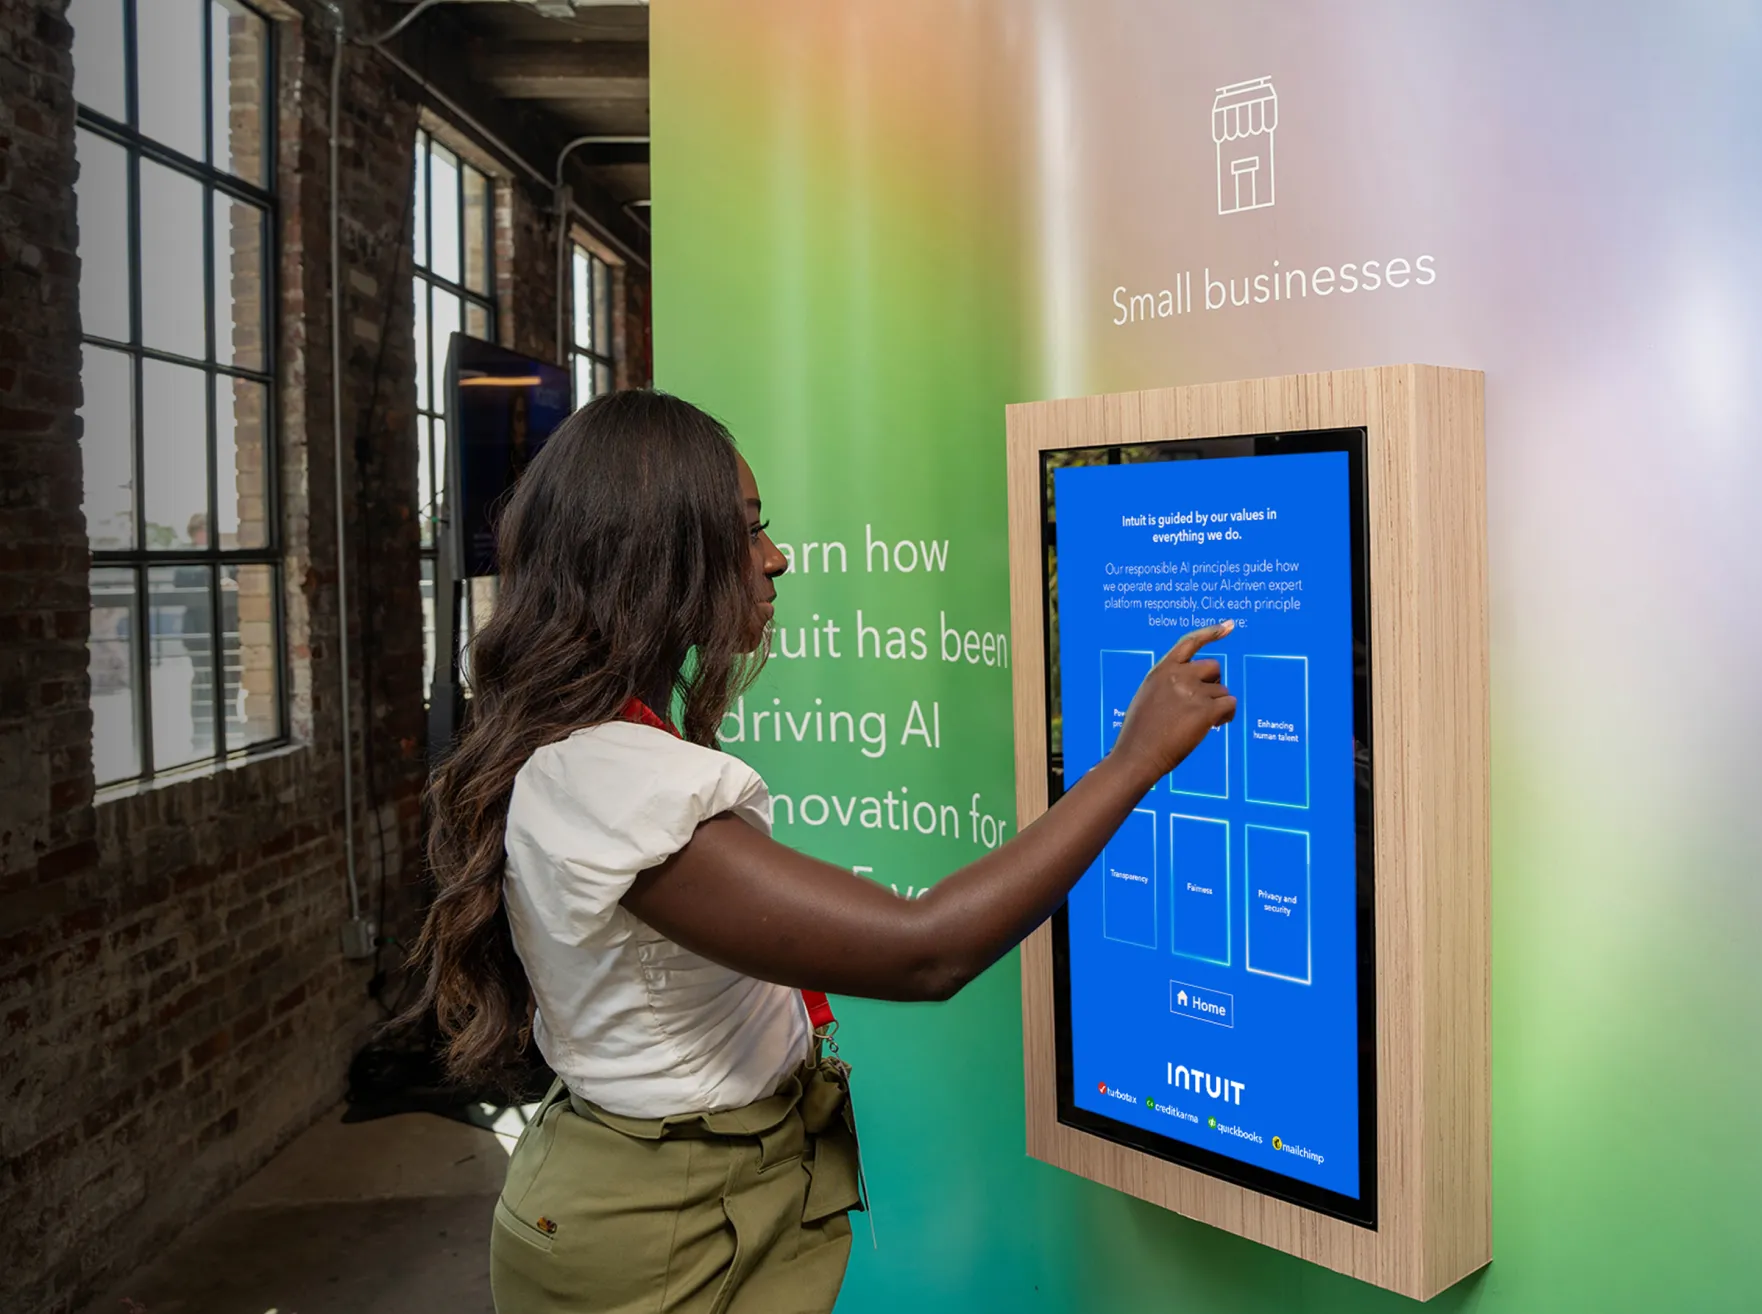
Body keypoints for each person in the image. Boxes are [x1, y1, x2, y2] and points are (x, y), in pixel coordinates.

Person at [405, 389, 1235, 1314]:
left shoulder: (595, 746)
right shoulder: (612, 782)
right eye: (747, 532)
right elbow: (924, 949)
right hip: (660, 1233)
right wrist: (1133, 761)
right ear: (655, 556)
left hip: (700, 1197)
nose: (776, 558)